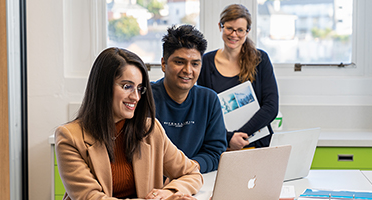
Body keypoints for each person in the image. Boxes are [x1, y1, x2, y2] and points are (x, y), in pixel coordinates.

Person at [55, 47, 202, 200]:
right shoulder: (69, 137)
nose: (136, 97)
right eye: (127, 86)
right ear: (103, 87)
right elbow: (91, 197)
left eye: (139, 88)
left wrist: (169, 192)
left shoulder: (150, 130)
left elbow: (192, 173)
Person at [198, 4, 279, 150]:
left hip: (258, 145)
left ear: (247, 31)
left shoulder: (261, 60)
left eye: (240, 30)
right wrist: (229, 138)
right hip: (222, 145)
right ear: (220, 27)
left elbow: (271, 107)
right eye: (229, 28)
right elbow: (204, 111)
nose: (234, 34)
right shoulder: (205, 62)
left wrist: (241, 135)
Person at [151, 25, 227, 173]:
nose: (188, 70)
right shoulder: (144, 98)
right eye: (179, 62)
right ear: (163, 64)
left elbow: (216, 152)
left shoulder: (209, 100)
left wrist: (188, 168)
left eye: (195, 64)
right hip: (154, 182)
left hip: (195, 178)